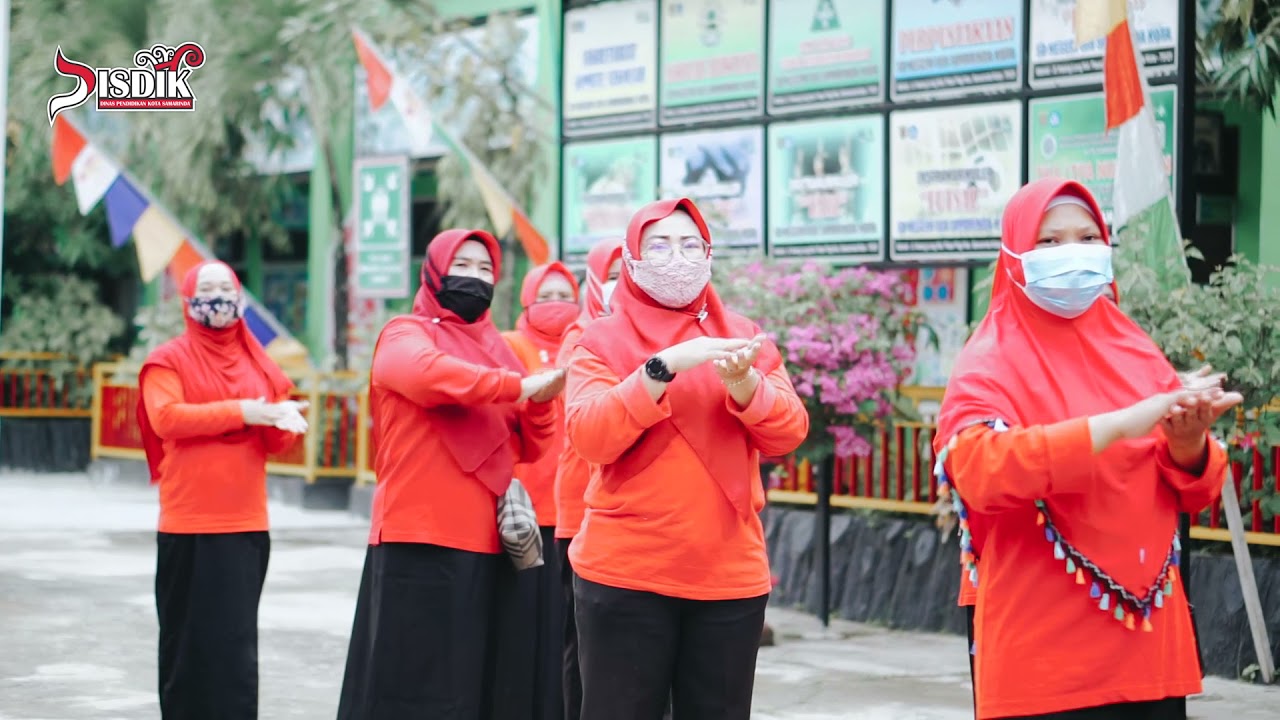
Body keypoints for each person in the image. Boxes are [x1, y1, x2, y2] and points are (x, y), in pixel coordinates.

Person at [934, 178, 1242, 720]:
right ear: (1014, 255)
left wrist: (1189, 443)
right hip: (1045, 653)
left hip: (1149, 647)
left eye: (1086, 237)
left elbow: (1195, 490)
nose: (1071, 254)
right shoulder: (989, 360)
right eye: (1049, 242)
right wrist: (1121, 424)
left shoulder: (1134, 349)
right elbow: (978, 471)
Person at [563, 198, 810, 720]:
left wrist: (746, 386)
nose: (677, 257)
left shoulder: (742, 338)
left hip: (728, 576)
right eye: (659, 244)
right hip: (625, 575)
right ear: (630, 261)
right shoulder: (600, 340)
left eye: (689, 244)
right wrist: (659, 368)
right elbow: (589, 437)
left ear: (709, 255)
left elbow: (788, 432)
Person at [336, 229, 565, 720]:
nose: (474, 277)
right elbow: (427, 375)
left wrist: (541, 404)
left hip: (488, 543)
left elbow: (529, 443)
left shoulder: (499, 351)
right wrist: (518, 386)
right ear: (435, 270)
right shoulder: (405, 332)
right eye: (462, 264)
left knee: (472, 686)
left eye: (486, 270)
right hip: (417, 535)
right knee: (409, 684)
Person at [137, 260, 309, 720]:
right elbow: (167, 418)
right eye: (206, 288)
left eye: (225, 288)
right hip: (189, 522)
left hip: (245, 523)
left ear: (240, 299)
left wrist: (284, 422)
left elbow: (273, 441)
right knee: (186, 645)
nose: (217, 297)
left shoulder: (259, 362)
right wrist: (243, 412)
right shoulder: (169, 359)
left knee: (234, 647)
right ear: (189, 301)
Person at [492, 261, 581, 720]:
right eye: (544, 295)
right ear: (527, 299)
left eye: (563, 294)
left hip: (576, 515)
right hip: (522, 515)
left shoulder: (586, 345)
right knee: (521, 626)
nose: (554, 304)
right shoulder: (511, 345)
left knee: (568, 631)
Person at [552, 237, 623, 720]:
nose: (625, 286)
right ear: (596, 283)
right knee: (586, 654)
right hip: (583, 515)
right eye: (614, 276)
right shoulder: (581, 338)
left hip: (635, 522)